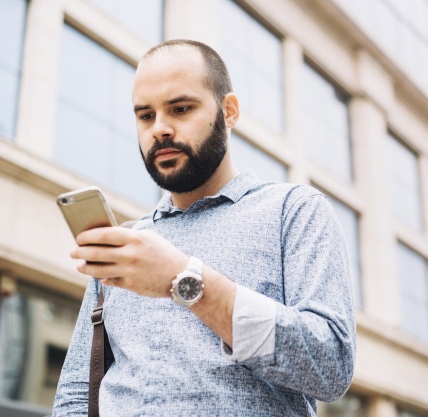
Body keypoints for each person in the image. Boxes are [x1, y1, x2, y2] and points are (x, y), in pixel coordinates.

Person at [52, 39, 356, 417]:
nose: (160, 129)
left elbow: (331, 367)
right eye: (145, 116)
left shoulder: (294, 211)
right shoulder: (127, 245)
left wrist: (185, 280)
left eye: (180, 109)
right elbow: (76, 394)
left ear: (229, 111)